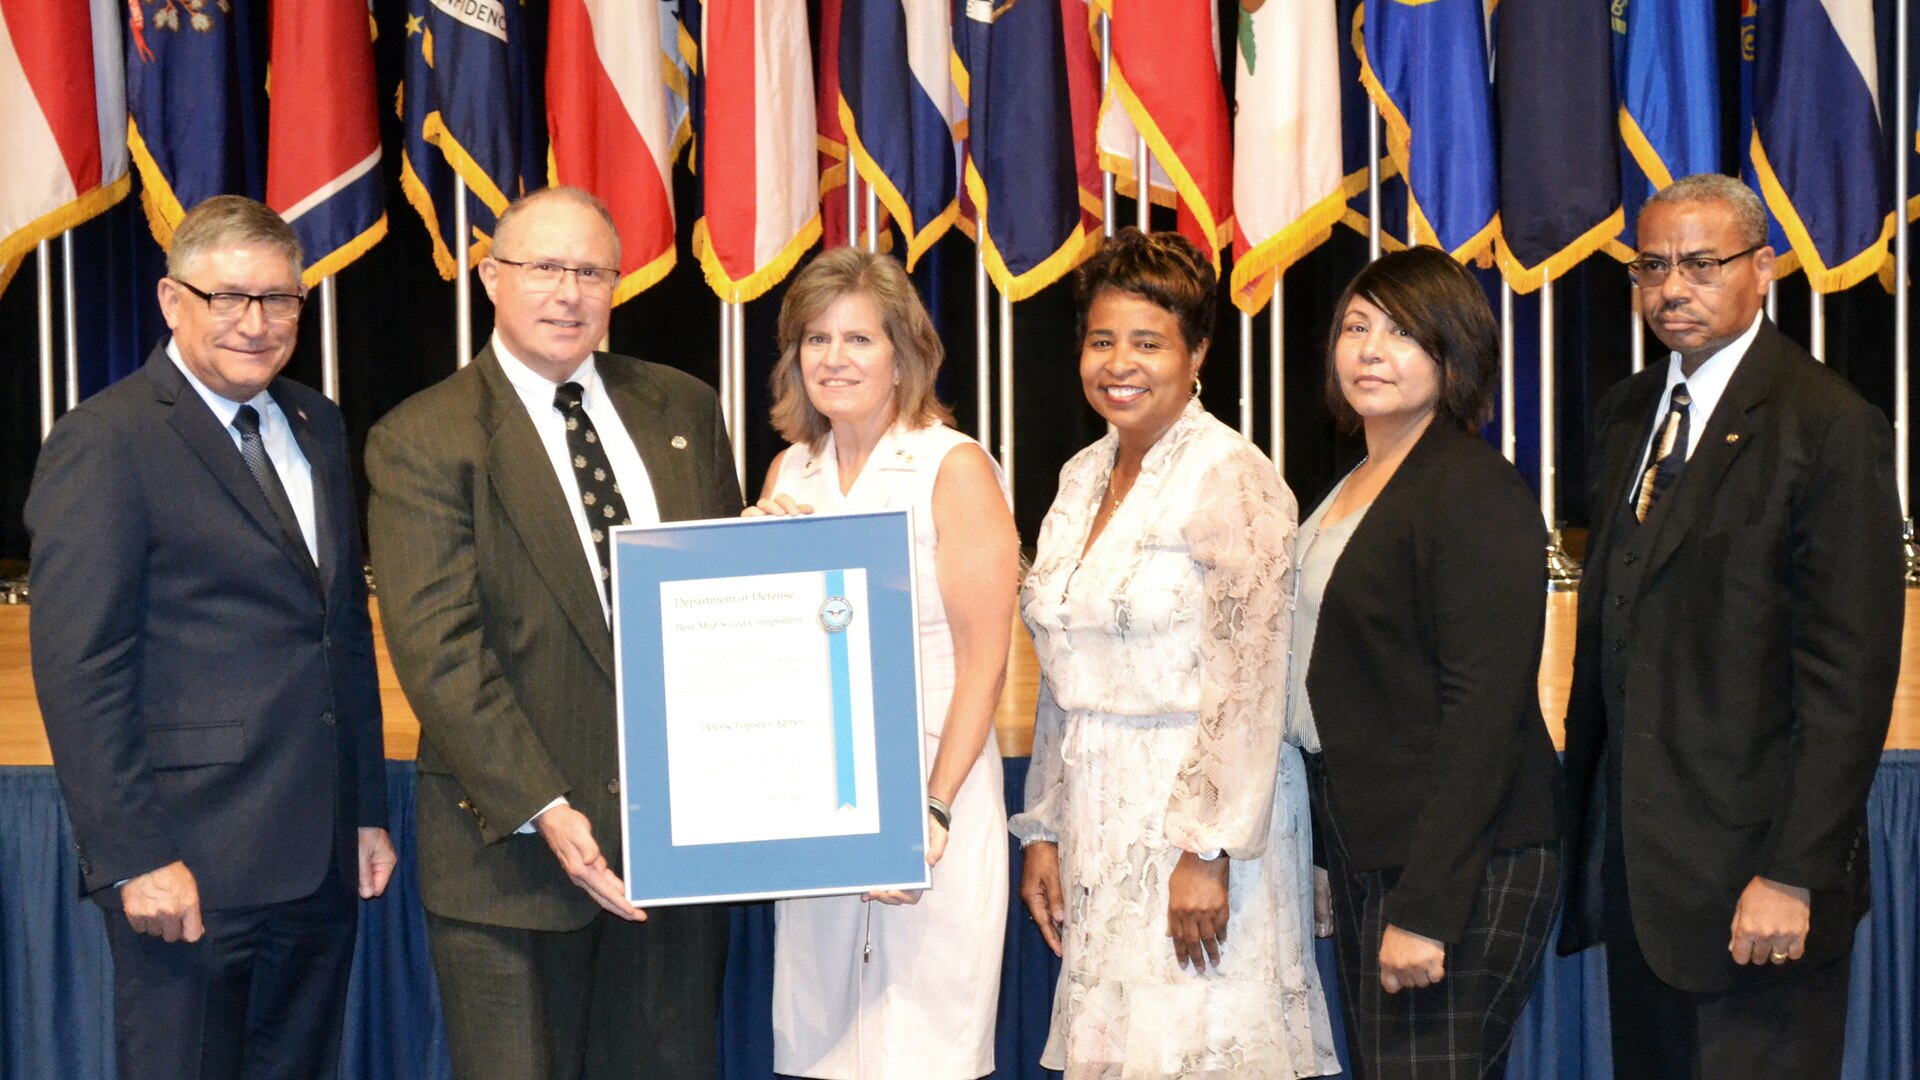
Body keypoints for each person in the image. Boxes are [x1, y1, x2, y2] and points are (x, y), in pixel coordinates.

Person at [365, 186, 742, 1080]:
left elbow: (721, 613)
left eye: (591, 271)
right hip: (514, 866)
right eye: (543, 268)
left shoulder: (683, 410)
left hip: (673, 864)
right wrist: (547, 807)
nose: (568, 293)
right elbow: (440, 652)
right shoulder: (424, 436)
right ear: (492, 276)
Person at [25, 194, 393, 1080]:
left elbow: (336, 631)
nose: (256, 323)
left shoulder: (317, 421)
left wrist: (367, 809)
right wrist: (136, 856)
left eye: (279, 299)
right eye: (228, 297)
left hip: (317, 856)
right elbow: (82, 670)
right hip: (189, 859)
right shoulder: (104, 440)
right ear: (170, 300)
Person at [1558, 173, 1902, 1078]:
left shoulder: (1828, 425)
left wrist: (1793, 874)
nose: (1671, 289)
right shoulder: (1628, 412)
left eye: (1702, 265)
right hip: (1642, 884)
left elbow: (1848, 677)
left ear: (1765, 268)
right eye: (1652, 266)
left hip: (1760, 892)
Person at [1013, 228, 1338, 1079]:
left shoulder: (1233, 474)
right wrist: (1043, 828)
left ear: (1197, 353)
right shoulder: (1080, 475)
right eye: (1102, 340)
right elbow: (1062, 669)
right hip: (1096, 815)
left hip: (1202, 824)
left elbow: (1253, 680)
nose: (1120, 362)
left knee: (1204, 1050)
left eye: (1149, 342)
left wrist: (1206, 851)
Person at [750, 247, 1020, 1078]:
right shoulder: (788, 471)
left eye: (859, 339)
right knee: (821, 1042)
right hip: (818, 802)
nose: (834, 359)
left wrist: (930, 812)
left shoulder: (954, 465)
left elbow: (987, 660)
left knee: (922, 1047)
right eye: (816, 339)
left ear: (902, 355)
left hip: (933, 786)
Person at [1294, 246, 1561, 1077]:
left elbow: (1482, 712)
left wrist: (1429, 908)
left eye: (1403, 332)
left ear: (1455, 354)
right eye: (1356, 327)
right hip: (1373, 841)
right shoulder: (1351, 483)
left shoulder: (1474, 491)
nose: (1370, 350)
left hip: (1461, 863)